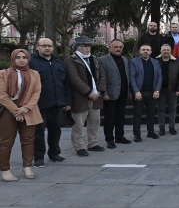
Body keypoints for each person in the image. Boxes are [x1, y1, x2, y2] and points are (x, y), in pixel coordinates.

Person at [0, 50, 42, 181]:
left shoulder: (34, 74)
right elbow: (1, 94)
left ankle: (27, 167)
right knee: (6, 142)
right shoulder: (3, 73)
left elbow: (36, 92)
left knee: (28, 140)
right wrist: (16, 110)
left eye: (24, 57)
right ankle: (5, 169)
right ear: (13, 59)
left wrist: (25, 108)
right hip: (8, 109)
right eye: (18, 57)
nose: (21, 60)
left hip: (29, 109)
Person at [30, 38, 70, 166]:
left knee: (55, 129)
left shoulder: (59, 63)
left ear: (53, 48)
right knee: (39, 131)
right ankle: (38, 157)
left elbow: (66, 84)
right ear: (37, 47)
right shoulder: (32, 63)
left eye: (49, 46)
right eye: (44, 46)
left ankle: (54, 153)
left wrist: (67, 102)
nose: (47, 48)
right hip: (40, 104)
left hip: (58, 103)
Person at [65, 36, 107, 155]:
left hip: (96, 97)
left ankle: (93, 143)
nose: (87, 48)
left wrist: (99, 91)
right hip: (80, 97)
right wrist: (88, 92)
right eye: (84, 46)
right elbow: (74, 79)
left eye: (88, 46)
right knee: (78, 123)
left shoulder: (94, 59)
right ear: (77, 47)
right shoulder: (70, 60)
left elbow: (103, 76)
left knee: (95, 122)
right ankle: (79, 147)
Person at [98, 39, 131, 149]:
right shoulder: (102, 60)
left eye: (120, 47)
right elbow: (101, 78)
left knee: (120, 117)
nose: (118, 49)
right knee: (109, 118)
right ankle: (109, 139)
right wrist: (104, 93)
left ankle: (119, 136)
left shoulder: (125, 59)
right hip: (110, 94)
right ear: (110, 47)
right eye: (116, 47)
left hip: (122, 93)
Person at [130, 44, 162, 141]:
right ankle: (137, 134)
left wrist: (157, 90)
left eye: (147, 50)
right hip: (139, 93)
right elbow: (132, 77)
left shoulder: (155, 62)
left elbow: (160, 76)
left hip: (152, 92)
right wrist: (136, 91)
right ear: (140, 51)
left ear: (151, 52)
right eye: (143, 49)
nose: (145, 51)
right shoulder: (134, 62)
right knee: (137, 114)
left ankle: (150, 132)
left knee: (151, 113)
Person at [157, 44, 179, 136]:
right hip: (160, 89)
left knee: (173, 109)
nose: (166, 52)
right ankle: (162, 128)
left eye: (168, 50)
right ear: (161, 51)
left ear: (171, 51)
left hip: (173, 89)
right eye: (164, 50)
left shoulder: (176, 62)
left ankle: (172, 127)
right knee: (161, 109)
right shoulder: (156, 61)